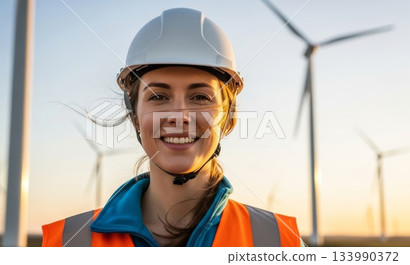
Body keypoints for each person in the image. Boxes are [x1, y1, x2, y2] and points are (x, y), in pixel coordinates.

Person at [42, 7, 302, 247]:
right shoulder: (64, 244)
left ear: (228, 117)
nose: (179, 116)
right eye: (158, 97)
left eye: (200, 97)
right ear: (134, 117)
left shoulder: (279, 242)